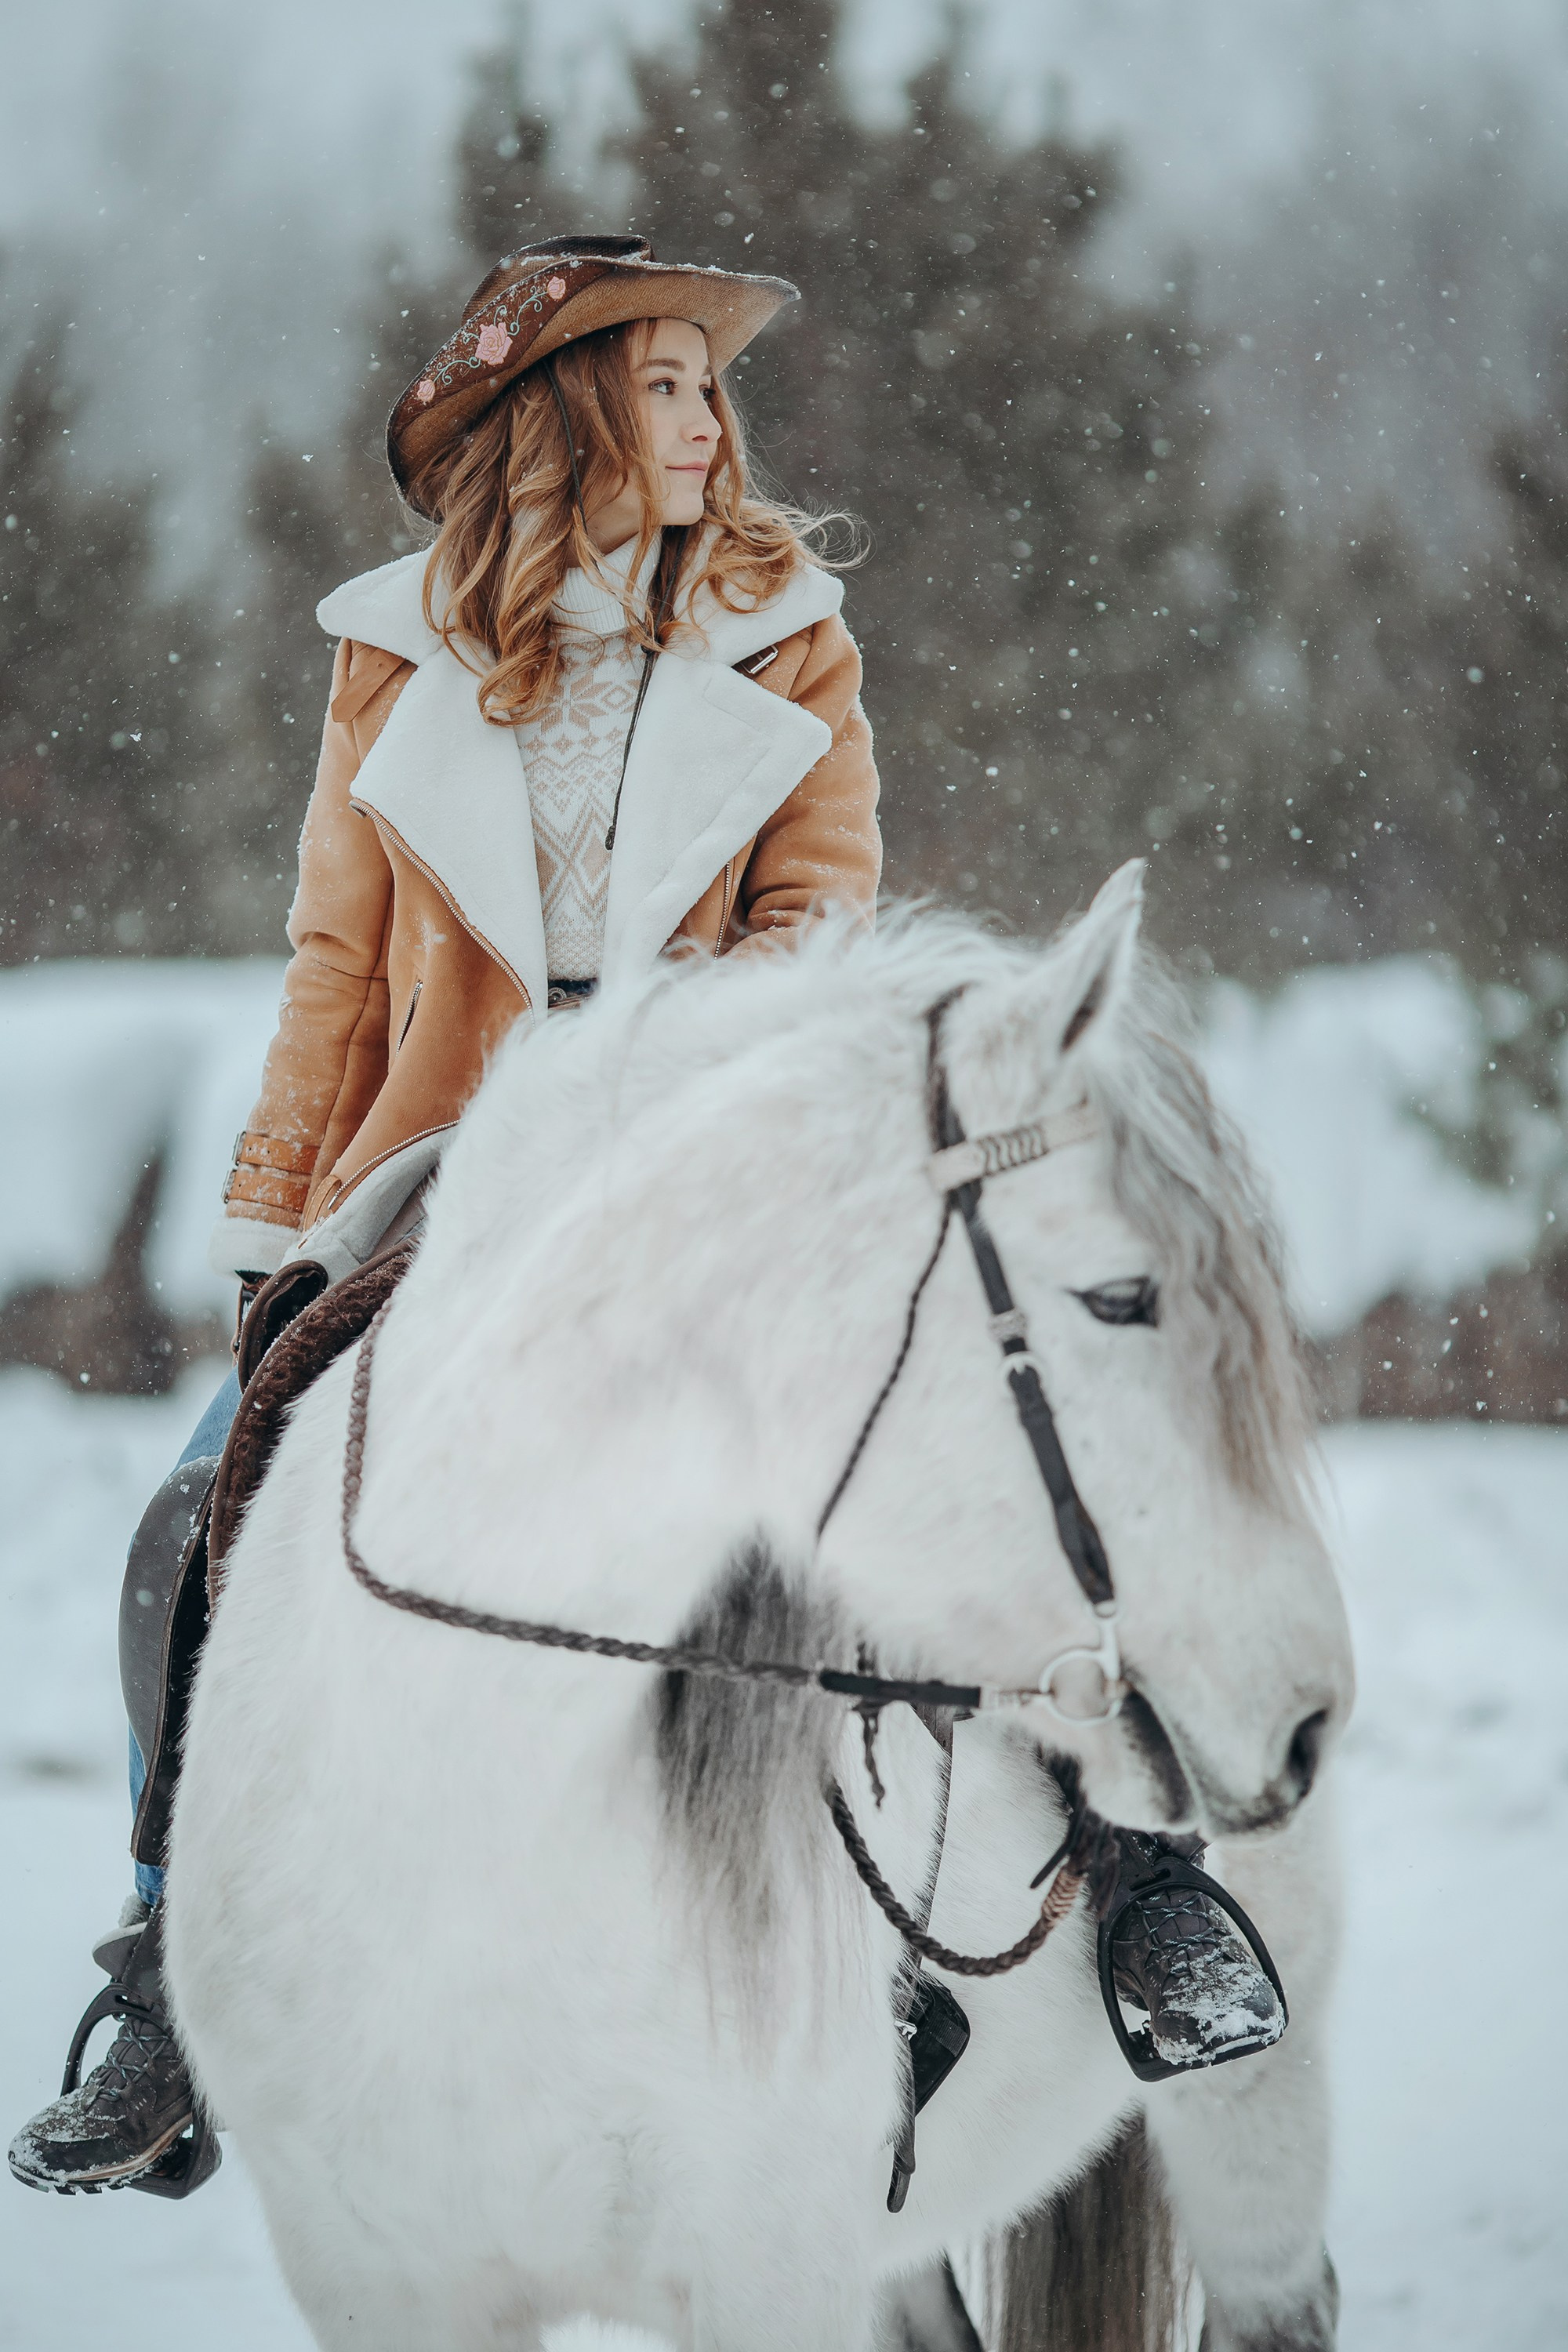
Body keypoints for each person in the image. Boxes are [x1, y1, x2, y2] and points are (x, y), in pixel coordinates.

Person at [9, 233, 1278, 2203]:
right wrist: (280, 1235)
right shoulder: (388, 652)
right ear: (572, 410)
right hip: (460, 1168)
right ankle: (167, 1984)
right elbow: (336, 972)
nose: (711, 419)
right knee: (203, 1511)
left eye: (711, 387)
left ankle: (1136, 1880)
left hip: (722, 1145)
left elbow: (819, 923)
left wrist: (673, 1096)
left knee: (969, 1448)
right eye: (671, 383)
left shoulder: (793, 635)